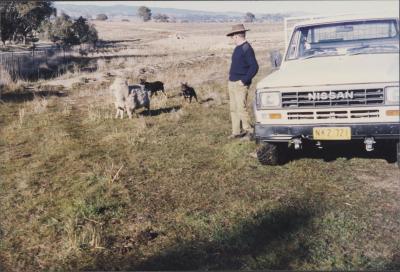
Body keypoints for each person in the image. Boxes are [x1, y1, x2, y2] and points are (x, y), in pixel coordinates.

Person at [226, 24, 259, 140]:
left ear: (237, 36)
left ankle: (250, 132)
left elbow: (254, 67)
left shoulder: (247, 48)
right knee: (233, 108)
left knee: (241, 108)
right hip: (232, 82)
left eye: (232, 36)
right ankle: (236, 132)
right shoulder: (237, 48)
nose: (232, 38)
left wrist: (244, 80)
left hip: (240, 84)